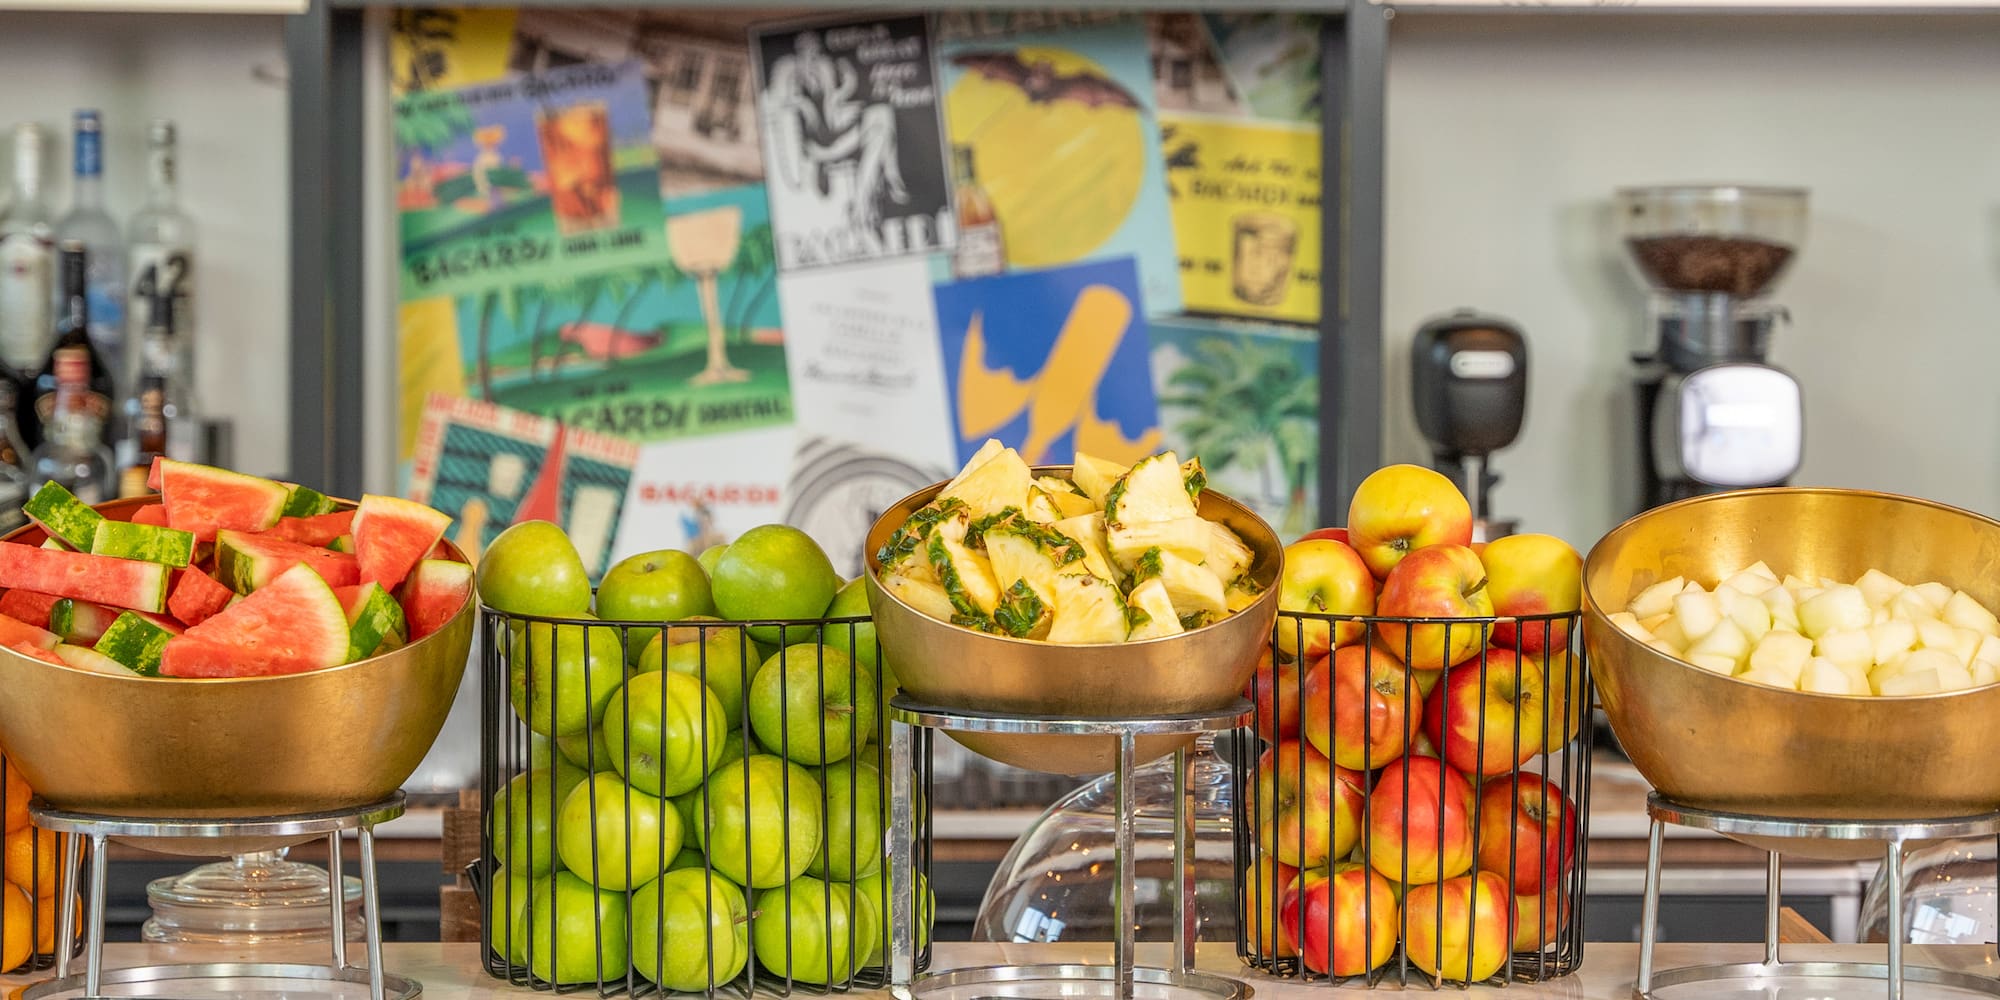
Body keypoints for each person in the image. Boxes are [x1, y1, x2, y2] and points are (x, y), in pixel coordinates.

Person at [763, 32, 909, 230]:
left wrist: (847, 88)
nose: (813, 55)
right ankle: (888, 180)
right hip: (817, 147)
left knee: (882, 119)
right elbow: (777, 103)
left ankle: (865, 199)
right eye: (808, 50)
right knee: (880, 130)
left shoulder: (823, 69)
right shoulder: (788, 72)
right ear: (799, 51)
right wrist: (804, 104)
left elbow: (831, 112)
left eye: (815, 50)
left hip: (833, 136)